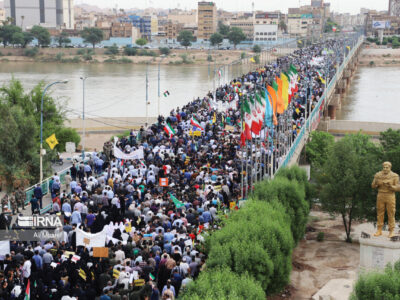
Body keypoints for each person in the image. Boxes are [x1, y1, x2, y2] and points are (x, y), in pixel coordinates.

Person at [372, 161, 399, 238]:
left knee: (391, 213)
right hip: (380, 194)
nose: (385, 169)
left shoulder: (395, 176)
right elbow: (373, 185)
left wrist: (391, 186)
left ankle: (391, 231)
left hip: (390, 195)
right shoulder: (378, 175)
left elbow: (398, 187)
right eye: (384, 167)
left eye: (387, 167)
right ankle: (379, 230)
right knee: (380, 212)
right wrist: (377, 183)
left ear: (390, 168)